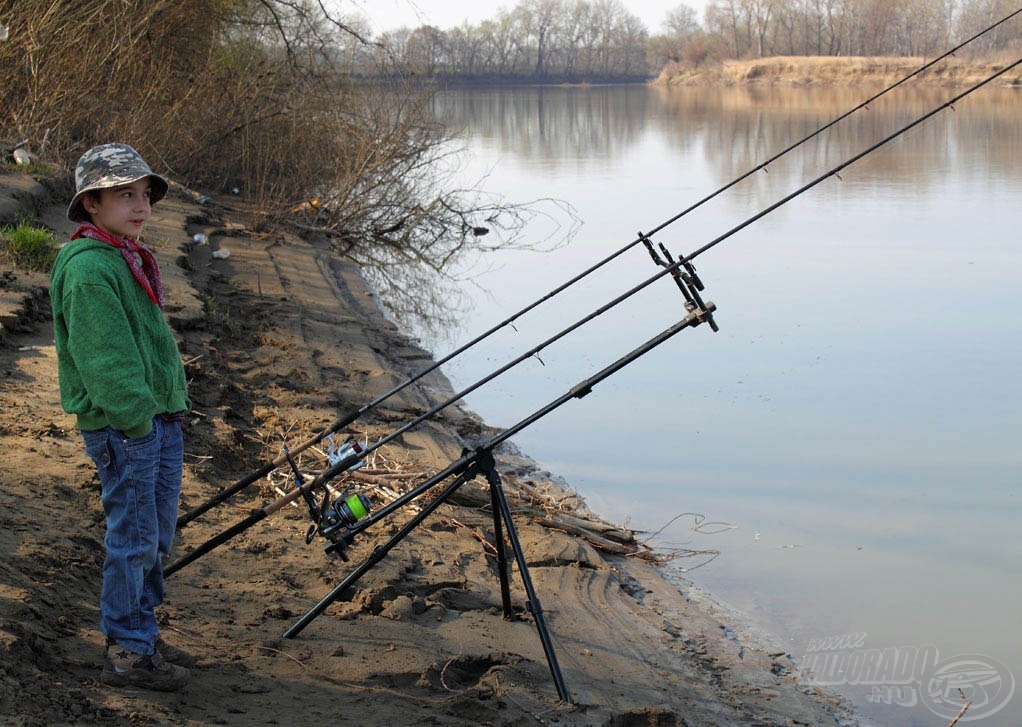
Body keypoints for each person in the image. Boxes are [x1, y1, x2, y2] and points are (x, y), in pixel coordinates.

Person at [50, 143, 192, 692]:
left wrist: (168, 410)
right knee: (132, 537)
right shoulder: (90, 270)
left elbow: (151, 345)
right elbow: (107, 363)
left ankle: (142, 632)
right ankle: (129, 653)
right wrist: (138, 423)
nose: (140, 207)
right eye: (124, 195)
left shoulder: (124, 255)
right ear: (92, 204)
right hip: (127, 428)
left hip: (158, 421)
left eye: (144, 195)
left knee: (155, 535)